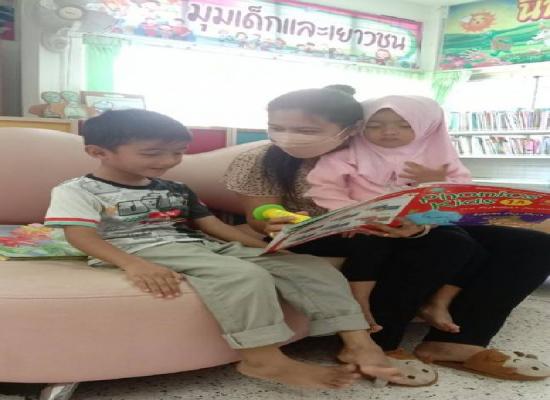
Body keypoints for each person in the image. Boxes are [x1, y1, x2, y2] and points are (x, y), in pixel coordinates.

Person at [43, 109, 406, 390]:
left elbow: (214, 227)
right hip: (138, 248)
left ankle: (357, 342)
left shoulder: (176, 188)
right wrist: (133, 264)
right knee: (243, 276)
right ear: (98, 152)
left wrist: (269, 248)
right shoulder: (77, 190)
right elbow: (81, 237)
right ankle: (261, 359)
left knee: (310, 266)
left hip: (196, 245)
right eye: (152, 153)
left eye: (177, 152)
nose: (167, 161)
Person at [224, 88, 550, 381]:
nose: (290, 137)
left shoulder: (383, 145)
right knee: (445, 244)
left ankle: (457, 341)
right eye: (277, 127)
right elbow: (259, 215)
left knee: (532, 245)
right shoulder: (261, 159)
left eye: (307, 130)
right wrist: (272, 222)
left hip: (399, 223)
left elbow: (432, 191)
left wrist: (423, 219)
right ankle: (380, 341)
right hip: (325, 231)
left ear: (351, 128)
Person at [305, 95, 477, 334]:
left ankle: (438, 303)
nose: (389, 132)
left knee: (462, 243)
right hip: (365, 219)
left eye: (404, 125)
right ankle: (360, 304)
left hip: (421, 221)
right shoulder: (348, 154)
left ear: (425, 126)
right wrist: (351, 214)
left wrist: (437, 181)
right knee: (369, 244)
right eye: (375, 125)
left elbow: (461, 193)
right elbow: (324, 186)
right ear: (361, 126)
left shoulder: (439, 155)